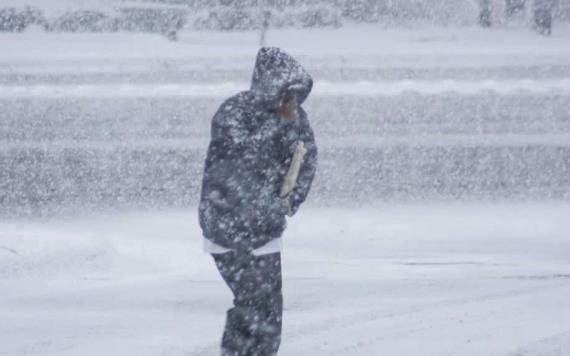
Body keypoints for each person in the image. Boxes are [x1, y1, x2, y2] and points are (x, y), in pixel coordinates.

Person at [198, 47, 318, 356]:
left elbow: (306, 162)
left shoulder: (294, 121)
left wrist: (286, 205)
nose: (292, 105)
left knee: (265, 312)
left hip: (265, 234)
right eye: (287, 97)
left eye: (295, 97)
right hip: (228, 231)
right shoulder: (236, 115)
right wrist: (260, 212)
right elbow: (233, 175)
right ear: (272, 93)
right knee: (253, 308)